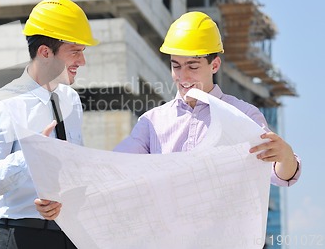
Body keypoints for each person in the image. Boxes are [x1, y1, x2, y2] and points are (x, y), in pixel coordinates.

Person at [0, 0, 99, 249]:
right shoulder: (1, 103)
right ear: (45, 52)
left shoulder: (70, 100)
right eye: (75, 51)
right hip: (20, 237)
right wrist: (29, 155)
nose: (82, 61)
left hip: (69, 234)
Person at [113, 11, 301, 186]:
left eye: (192, 67)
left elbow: (278, 175)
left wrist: (285, 157)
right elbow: (116, 166)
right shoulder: (152, 122)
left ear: (215, 65)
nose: (183, 76)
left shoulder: (243, 115)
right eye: (176, 66)